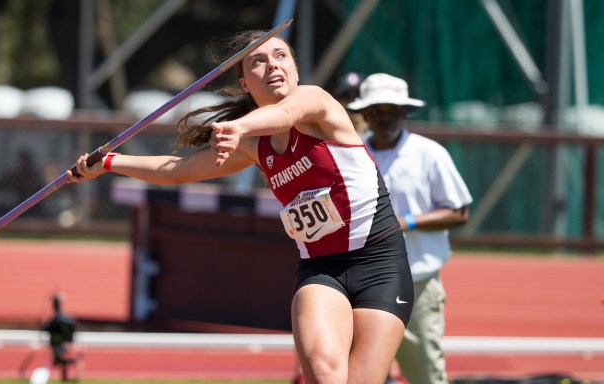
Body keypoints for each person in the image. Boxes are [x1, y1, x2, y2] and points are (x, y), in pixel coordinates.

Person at [67, 30, 413, 383]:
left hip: (380, 263)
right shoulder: (253, 145)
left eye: (281, 56)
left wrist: (236, 127)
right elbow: (178, 170)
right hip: (321, 269)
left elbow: (286, 114)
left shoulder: (315, 101)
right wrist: (110, 162)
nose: (272, 65)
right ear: (244, 82)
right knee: (324, 374)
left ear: (295, 70)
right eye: (258, 61)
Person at [347, 73, 473, 384]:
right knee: (361, 372)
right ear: (364, 114)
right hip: (361, 278)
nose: (384, 118)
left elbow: (459, 212)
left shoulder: (429, 153)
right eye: (375, 111)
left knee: (424, 374)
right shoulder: (351, 155)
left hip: (417, 280)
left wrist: (408, 222)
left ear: (404, 112)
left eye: (391, 110)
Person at [43, 293, 79, 382]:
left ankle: (69, 375)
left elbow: (47, 329)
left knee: (61, 360)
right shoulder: (66, 320)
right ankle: (69, 375)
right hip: (62, 344)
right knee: (63, 360)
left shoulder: (55, 320)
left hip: (58, 344)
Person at [333, 72, 368, 136]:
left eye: (358, 95)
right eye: (347, 96)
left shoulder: (379, 136)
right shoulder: (328, 135)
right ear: (338, 101)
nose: (353, 100)